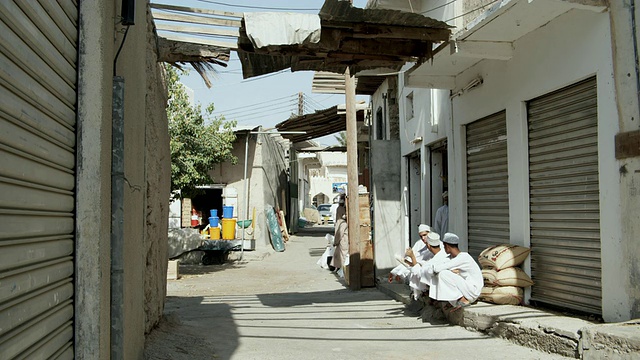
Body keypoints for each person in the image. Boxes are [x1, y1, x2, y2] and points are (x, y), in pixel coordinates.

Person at [427, 233, 483, 311]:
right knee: (440, 274)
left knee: (443, 274)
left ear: (447, 245)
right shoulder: (450, 258)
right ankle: (455, 300)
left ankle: (462, 300)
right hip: (466, 289)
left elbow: (436, 269)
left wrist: (447, 270)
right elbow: (431, 270)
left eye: (444, 246)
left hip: (473, 291)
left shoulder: (464, 257)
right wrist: (450, 270)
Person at [405, 232, 450, 299]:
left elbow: (419, 273)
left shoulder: (438, 259)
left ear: (428, 245)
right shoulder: (443, 254)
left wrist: (412, 257)